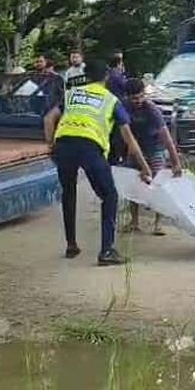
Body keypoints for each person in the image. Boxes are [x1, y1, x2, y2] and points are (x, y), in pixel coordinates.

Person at [43, 60, 153, 266]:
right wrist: (145, 167)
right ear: (106, 77)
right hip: (90, 147)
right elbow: (129, 139)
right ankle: (106, 251)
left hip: (64, 145)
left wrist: (51, 146)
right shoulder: (111, 100)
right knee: (109, 196)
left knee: (69, 192)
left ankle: (71, 245)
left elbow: (49, 119)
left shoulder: (72, 94)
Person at [121, 78, 183, 236]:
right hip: (135, 149)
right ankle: (134, 221)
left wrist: (175, 162)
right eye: (135, 98)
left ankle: (158, 223)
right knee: (133, 185)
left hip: (155, 148)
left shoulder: (152, 110)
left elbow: (166, 136)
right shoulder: (124, 108)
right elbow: (126, 136)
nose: (139, 100)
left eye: (141, 96)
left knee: (158, 185)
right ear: (127, 97)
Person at [106, 54, 129, 165]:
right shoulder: (117, 76)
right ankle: (119, 158)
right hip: (118, 107)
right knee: (119, 135)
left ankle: (111, 158)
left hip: (107, 108)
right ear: (119, 64)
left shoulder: (107, 75)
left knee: (110, 135)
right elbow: (127, 88)